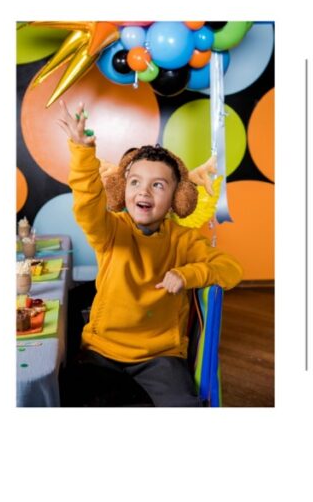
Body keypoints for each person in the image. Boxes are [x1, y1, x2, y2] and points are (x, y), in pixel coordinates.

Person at [55, 102, 242, 407]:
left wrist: (187, 274)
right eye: (135, 182)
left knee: (183, 407)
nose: (144, 192)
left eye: (158, 185)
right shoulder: (110, 231)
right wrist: (82, 152)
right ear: (123, 190)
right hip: (101, 351)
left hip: (161, 357)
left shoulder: (184, 241)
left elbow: (231, 269)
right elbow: (88, 204)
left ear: (175, 198)